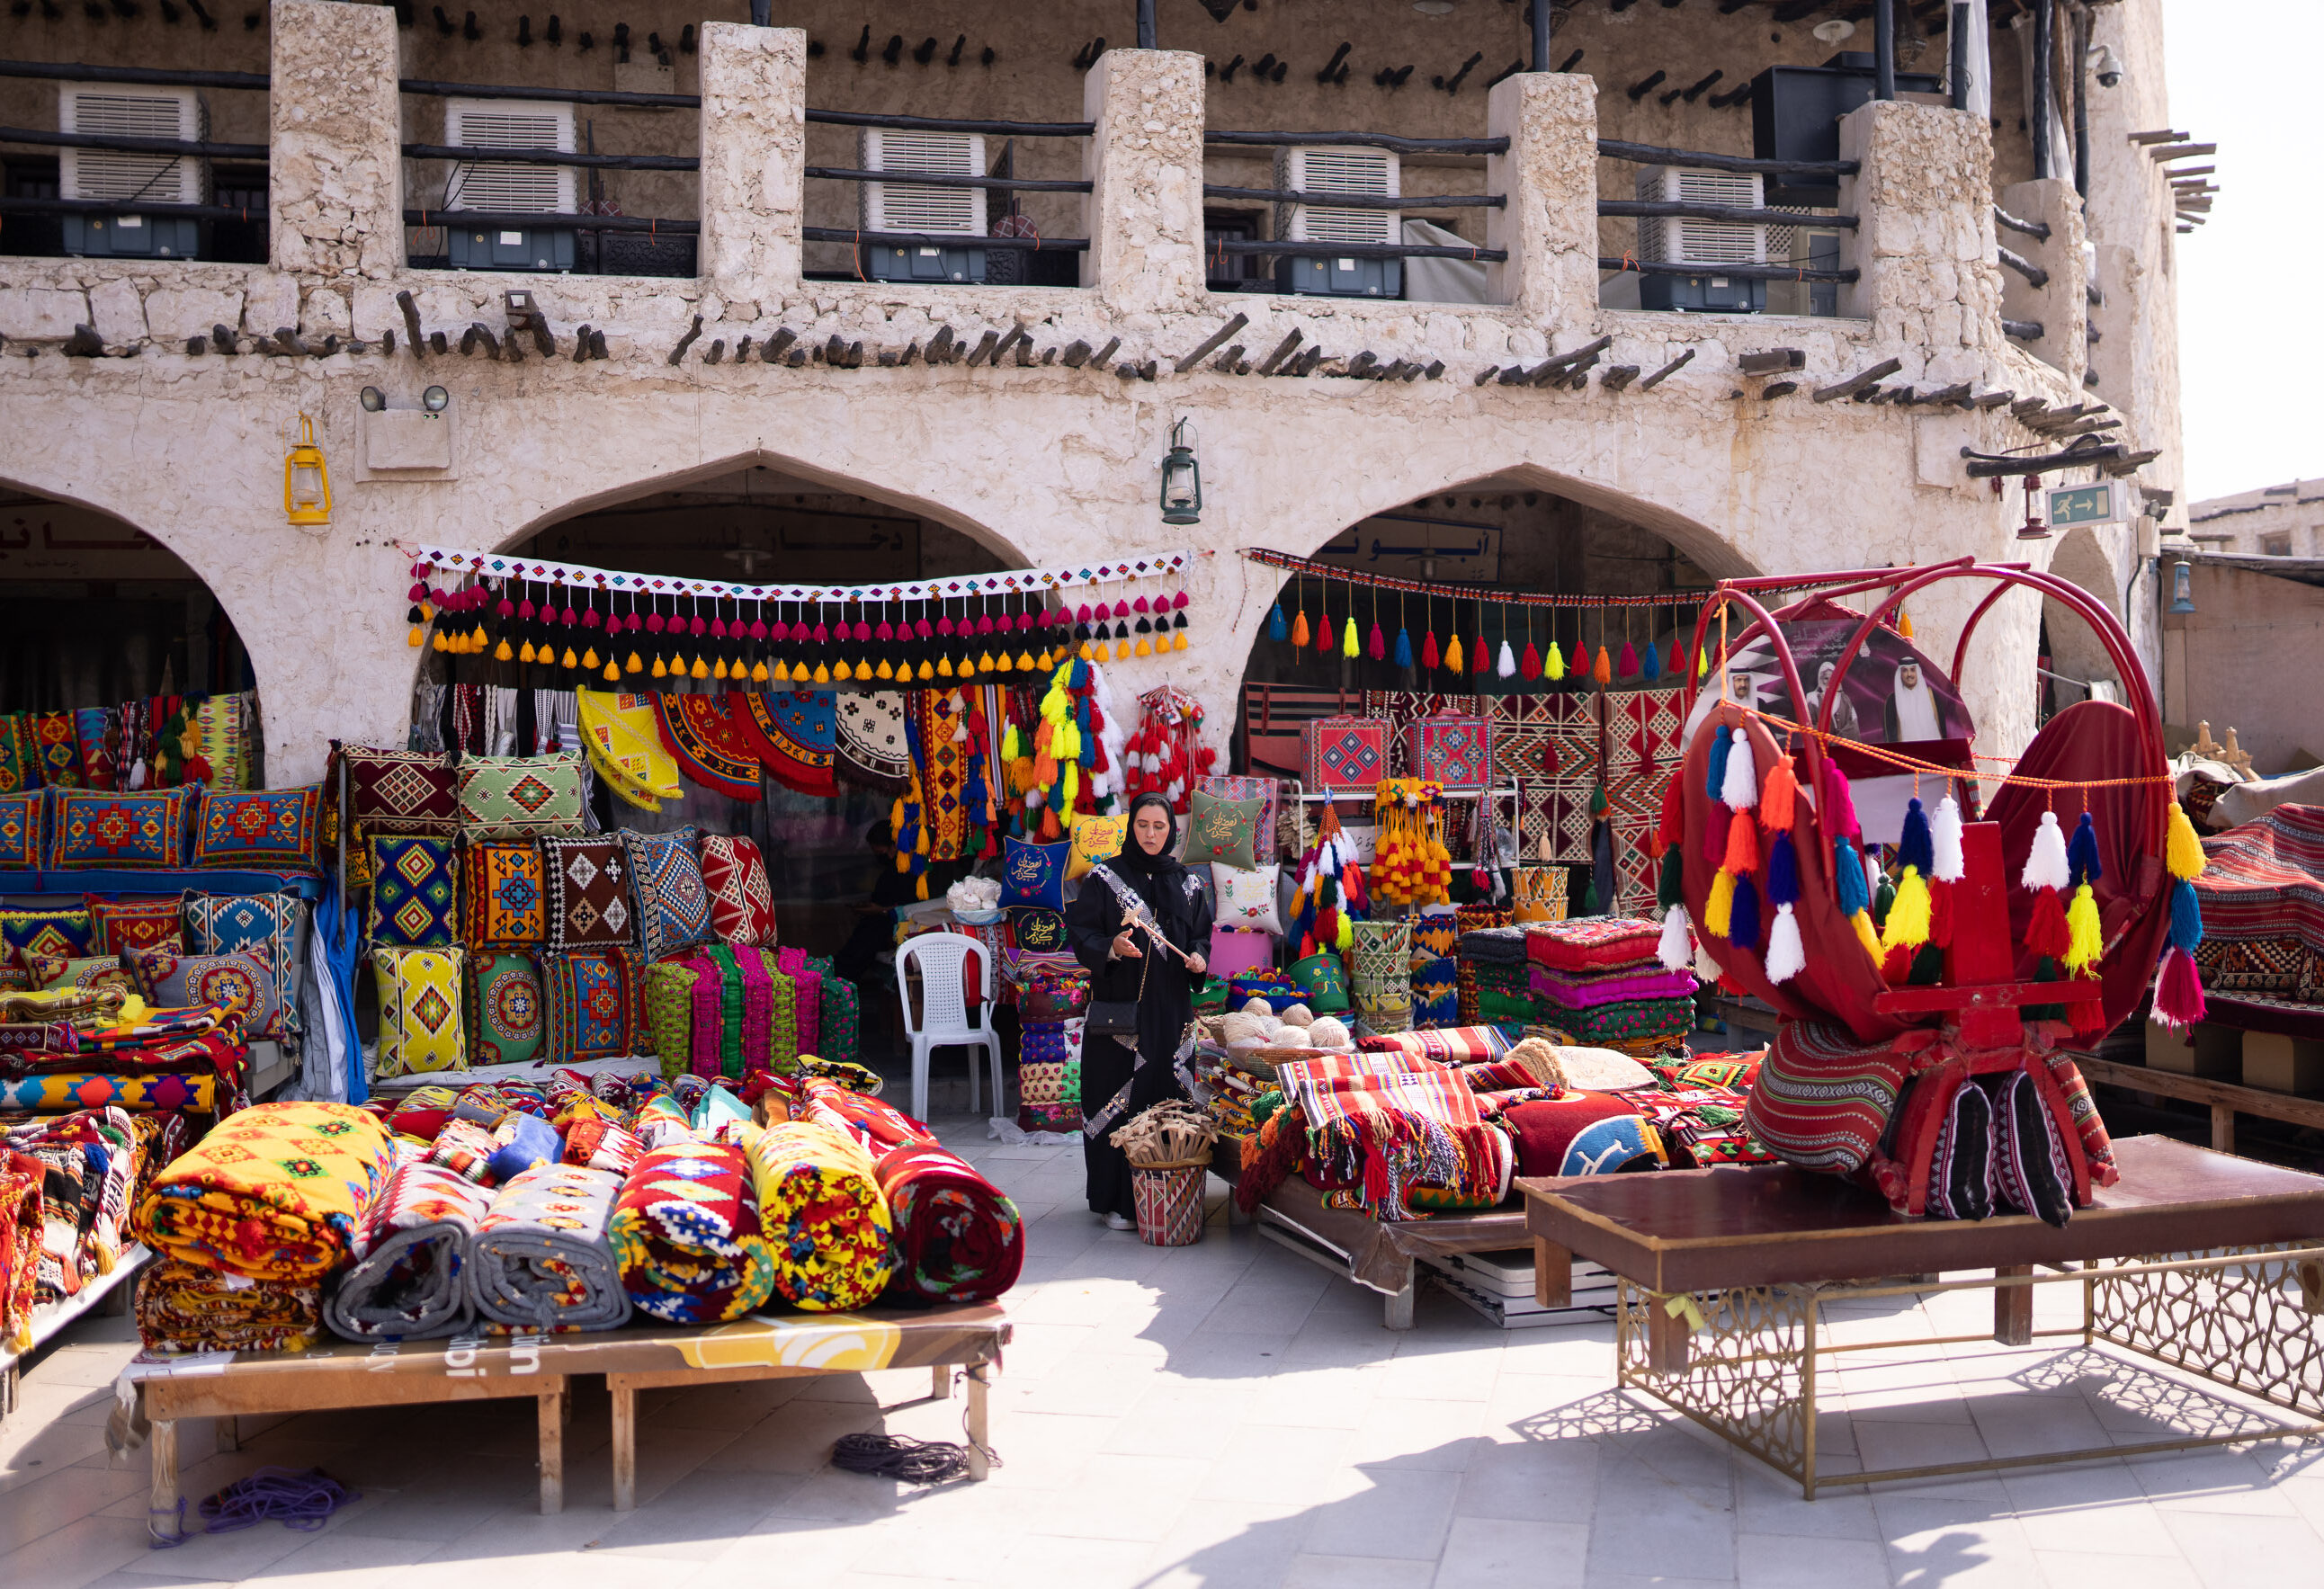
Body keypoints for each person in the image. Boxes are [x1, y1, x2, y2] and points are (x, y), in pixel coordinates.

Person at [1066, 793, 1213, 1230]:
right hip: (1121, 1011)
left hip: (1171, 1012)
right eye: (1143, 826)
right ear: (1131, 828)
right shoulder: (1104, 878)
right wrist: (1111, 945)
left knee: (1168, 1092)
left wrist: (1199, 959)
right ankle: (1118, 1201)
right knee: (1116, 1096)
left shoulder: (1189, 883)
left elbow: (1201, 936)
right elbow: (1082, 932)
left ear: (1172, 831)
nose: (1151, 835)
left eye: (1160, 827)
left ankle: (1172, 1190)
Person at [833, 820, 918, 984]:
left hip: (890, 924)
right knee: (853, 951)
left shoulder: (908, 869)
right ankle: (838, 982)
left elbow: (908, 905)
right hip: (877, 921)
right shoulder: (892, 869)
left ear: (893, 846)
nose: (878, 855)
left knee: (859, 951)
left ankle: (840, 984)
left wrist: (882, 910)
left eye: (880, 850)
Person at [1882, 659, 1946, 743]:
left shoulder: (1931, 695)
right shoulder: (1892, 700)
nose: (1909, 674)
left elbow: (1943, 729)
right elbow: (1889, 736)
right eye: (1905, 670)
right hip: (1906, 753)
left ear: (1918, 672)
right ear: (1900, 674)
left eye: (1912, 670)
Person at [1807, 659, 1862, 740]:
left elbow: (1853, 724)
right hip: (1823, 747)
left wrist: (1840, 739)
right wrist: (1829, 740)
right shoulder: (1813, 699)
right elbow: (1809, 725)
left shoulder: (1845, 699)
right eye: (1826, 678)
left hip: (1844, 745)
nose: (1829, 681)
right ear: (1821, 680)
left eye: (1832, 678)